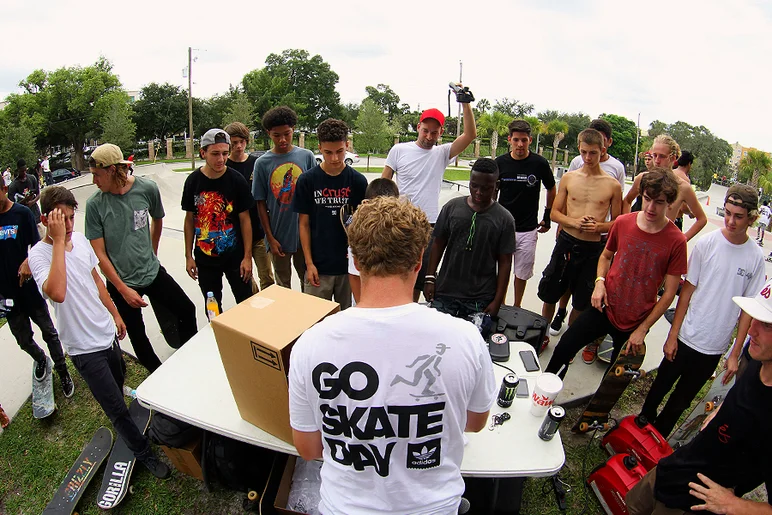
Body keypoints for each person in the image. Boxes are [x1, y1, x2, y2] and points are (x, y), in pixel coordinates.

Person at [288, 196, 496, 514]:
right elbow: (476, 422)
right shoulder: (466, 339)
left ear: (354, 261)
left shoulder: (310, 345)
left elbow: (308, 448)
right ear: (419, 263)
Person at [28, 186, 170, 479]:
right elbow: (57, 292)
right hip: (83, 349)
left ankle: (124, 410)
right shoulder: (39, 255)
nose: (68, 226)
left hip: (106, 335)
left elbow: (97, 281)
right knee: (116, 408)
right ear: (45, 219)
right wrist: (56, 242)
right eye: (61, 220)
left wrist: (116, 314)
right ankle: (142, 452)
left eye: (71, 218)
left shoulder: (79, 241)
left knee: (118, 383)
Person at [626, 278, 772, 515]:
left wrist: (735, 505)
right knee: (633, 506)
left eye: (768, 325)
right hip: (675, 467)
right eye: (755, 317)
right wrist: (723, 410)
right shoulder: (758, 357)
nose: (751, 330)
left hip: (692, 501)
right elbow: (746, 391)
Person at [639, 184, 765, 438]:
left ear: (751, 218)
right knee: (659, 388)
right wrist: (673, 335)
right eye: (727, 213)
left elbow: (747, 313)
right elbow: (685, 292)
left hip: (713, 348)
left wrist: (734, 353)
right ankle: (639, 427)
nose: (730, 220)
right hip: (686, 337)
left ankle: (657, 440)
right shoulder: (707, 243)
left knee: (680, 401)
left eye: (738, 216)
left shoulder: (756, 257)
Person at [545, 168, 687, 379]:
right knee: (564, 348)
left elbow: (669, 294)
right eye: (647, 199)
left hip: (636, 320)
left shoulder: (676, 241)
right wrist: (600, 282)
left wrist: (643, 329)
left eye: (658, 202)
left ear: (670, 203)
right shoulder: (623, 222)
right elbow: (605, 256)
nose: (650, 207)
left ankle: (599, 411)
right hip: (604, 306)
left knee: (615, 377)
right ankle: (544, 394)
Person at [85, 143, 198, 373]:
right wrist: (124, 290)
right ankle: (159, 376)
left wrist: (152, 252)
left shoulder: (147, 189)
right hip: (121, 283)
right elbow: (100, 254)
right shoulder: (95, 205)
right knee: (138, 336)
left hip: (152, 272)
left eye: (97, 175)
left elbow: (157, 219)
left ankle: (190, 361)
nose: (94, 181)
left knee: (187, 309)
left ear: (112, 170)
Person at [382, 94, 477, 301]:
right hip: (400, 221)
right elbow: (384, 185)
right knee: (396, 272)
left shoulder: (442, 153)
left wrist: (465, 103)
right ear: (418, 127)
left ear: (441, 132)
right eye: (425, 131)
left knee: (418, 276)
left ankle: (411, 311)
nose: (428, 136)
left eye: (434, 133)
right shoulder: (398, 150)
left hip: (428, 224)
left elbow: (470, 135)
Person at [538, 129, 622, 357]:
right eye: (584, 152)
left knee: (581, 301)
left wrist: (599, 227)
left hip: (593, 248)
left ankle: (569, 343)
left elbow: (618, 221)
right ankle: (542, 333)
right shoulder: (569, 178)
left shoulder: (612, 185)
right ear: (579, 149)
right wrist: (574, 222)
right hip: (566, 242)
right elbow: (554, 213)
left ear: (603, 151)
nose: (587, 158)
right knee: (551, 292)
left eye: (593, 153)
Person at [0, 173, 72, 396]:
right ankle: (41, 359)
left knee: (49, 333)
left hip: (29, 289)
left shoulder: (21, 214)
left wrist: (27, 260)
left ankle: (63, 372)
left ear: (3, 189)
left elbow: (39, 243)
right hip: (5, 294)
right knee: (23, 339)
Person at [423, 158, 515, 319]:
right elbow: (438, 243)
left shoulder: (504, 219)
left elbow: (505, 262)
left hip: (481, 298)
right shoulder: (451, 208)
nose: (479, 192)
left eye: (486, 188)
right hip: (445, 292)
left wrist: (498, 300)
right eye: (474, 185)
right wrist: (430, 278)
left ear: (496, 186)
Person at [293, 119, 367, 308]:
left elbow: (364, 226)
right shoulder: (307, 180)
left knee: (349, 322)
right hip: (317, 267)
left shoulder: (358, 182)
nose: (334, 158)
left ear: (347, 146)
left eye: (339, 151)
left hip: (349, 268)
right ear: (319, 148)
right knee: (315, 322)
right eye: (328, 152)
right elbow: (303, 224)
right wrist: (309, 264)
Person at [182, 128, 254, 313]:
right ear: (203, 152)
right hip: (205, 260)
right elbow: (190, 219)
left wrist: (247, 257)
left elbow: (245, 220)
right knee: (212, 306)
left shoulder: (236, 180)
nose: (221, 159)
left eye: (224, 153)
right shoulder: (193, 181)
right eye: (215, 154)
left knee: (246, 302)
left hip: (235, 257)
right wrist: (188, 255)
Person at [253, 106, 315, 290]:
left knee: (309, 284)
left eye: (286, 134)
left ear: (293, 129)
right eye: (276, 135)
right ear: (268, 133)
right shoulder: (262, 163)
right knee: (282, 287)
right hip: (278, 236)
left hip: (305, 236)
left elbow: (313, 197)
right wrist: (270, 239)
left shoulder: (307, 157)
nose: (282, 139)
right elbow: (260, 203)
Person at [495, 119, 556, 308]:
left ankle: (516, 307)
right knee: (501, 271)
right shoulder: (500, 163)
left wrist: (547, 216)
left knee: (521, 273)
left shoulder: (539, 163)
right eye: (516, 140)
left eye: (524, 140)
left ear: (530, 140)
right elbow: (493, 191)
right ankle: (501, 305)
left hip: (528, 230)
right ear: (509, 140)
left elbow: (552, 189)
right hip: (503, 228)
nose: (520, 144)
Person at [623, 136, 707, 242]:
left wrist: (681, 240)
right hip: (636, 239)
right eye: (654, 155)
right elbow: (627, 201)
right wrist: (626, 226)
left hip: (661, 244)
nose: (657, 161)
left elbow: (701, 219)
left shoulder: (682, 187)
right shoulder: (642, 178)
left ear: (673, 158)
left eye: (662, 156)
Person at [224, 122, 274, 291]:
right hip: (236, 233)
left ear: (247, 141)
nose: (238, 146)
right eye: (234, 142)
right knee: (245, 277)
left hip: (258, 231)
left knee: (266, 275)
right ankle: (253, 303)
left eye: (242, 142)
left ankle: (269, 307)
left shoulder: (256, 163)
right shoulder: (225, 167)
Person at [348, 178, 400, 304]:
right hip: (366, 301)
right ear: (367, 204)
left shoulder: (401, 234)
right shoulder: (360, 236)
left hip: (394, 302)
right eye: (378, 206)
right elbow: (354, 275)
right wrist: (362, 305)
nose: (383, 213)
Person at [9, 159, 42, 231]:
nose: (24, 173)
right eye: (22, 171)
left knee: (39, 234)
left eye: (25, 170)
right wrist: (25, 200)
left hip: (34, 213)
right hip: (23, 216)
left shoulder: (32, 178)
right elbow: (11, 205)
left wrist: (32, 201)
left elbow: (38, 194)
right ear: (18, 170)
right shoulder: (13, 186)